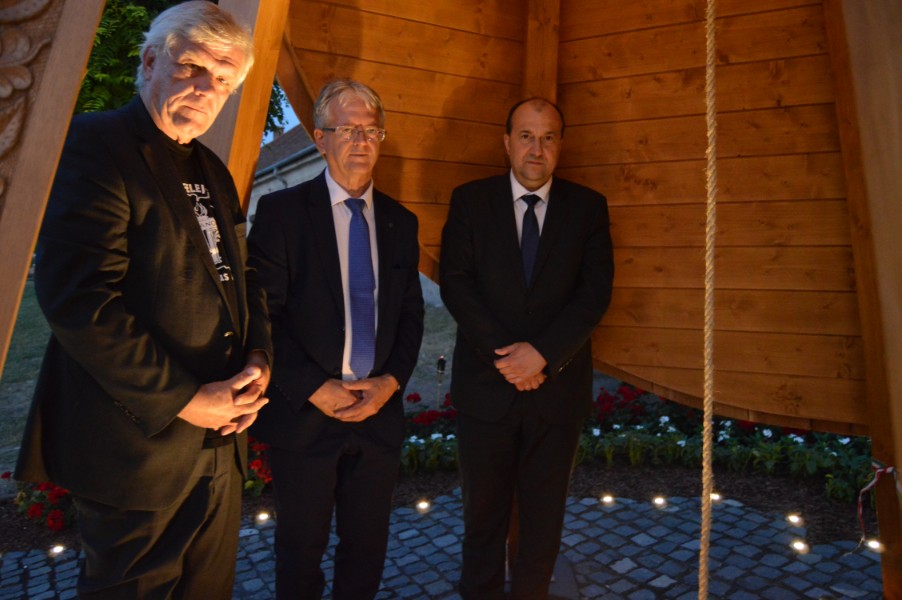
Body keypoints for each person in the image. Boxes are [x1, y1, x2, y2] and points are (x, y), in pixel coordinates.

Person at [14, 3, 272, 598]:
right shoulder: (94, 144)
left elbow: (243, 276)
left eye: (223, 79)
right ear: (152, 60)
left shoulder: (213, 170)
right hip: (136, 449)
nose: (206, 89)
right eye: (192, 67)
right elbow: (80, 301)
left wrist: (259, 358)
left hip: (221, 444)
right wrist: (186, 400)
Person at [247, 79, 424, 600]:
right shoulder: (282, 214)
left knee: (367, 550)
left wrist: (391, 382)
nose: (361, 140)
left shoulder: (400, 222)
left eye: (371, 130)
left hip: (377, 415)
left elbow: (411, 314)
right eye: (348, 129)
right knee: (300, 552)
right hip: (306, 416)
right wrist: (312, 386)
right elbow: (263, 315)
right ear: (321, 139)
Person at [440, 97, 615, 599]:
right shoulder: (470, 202)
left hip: (556, 395)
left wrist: (542, 355)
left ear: (560, 145)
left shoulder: (588, 208)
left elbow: (594, 294)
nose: (536, 149)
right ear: (506, 142)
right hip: (485, 392)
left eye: (548, 137)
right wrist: (510, 359)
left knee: (543, 523)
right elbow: (456, 284)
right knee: (482, 521)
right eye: (526, 136)